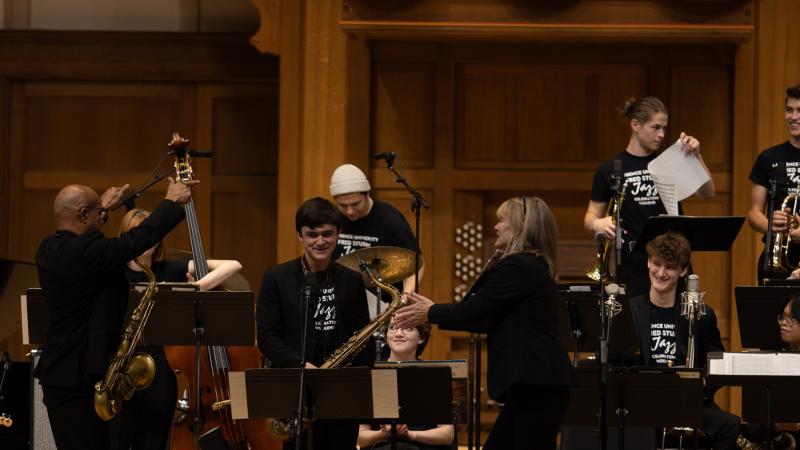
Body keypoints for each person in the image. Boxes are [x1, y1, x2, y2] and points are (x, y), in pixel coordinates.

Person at [394, 196, 573, 450]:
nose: (496, 227)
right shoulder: (530, 264)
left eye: (501, 220)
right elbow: (483, 319)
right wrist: (431, 312)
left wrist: (431, 312)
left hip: (537, 385)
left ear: (520, 227)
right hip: (536, 386)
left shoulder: (519, 266)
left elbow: (475, 309)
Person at [34, 178, 193, 450]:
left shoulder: (48, 249)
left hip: (60, 374)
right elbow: (137, 240)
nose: (102, 219)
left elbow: (85, 234)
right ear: (84, 215)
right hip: (80, 380)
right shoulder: (88, 254)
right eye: (97, 214)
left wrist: (102, 207)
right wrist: (171, 201)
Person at [109, 208, 242, 450]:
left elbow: (233, 265)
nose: (145, 241)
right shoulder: (113, 273)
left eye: (150, 233)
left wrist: (196, 288)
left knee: (154, 443)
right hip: (120, 369)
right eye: (136, 233)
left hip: (161, 372)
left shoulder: (169, 269)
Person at [256, 197, 372, 450]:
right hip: (294, 388)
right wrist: (302, 366)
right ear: (300, 235)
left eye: (327, 234)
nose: (320, 241)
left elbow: (362, 335)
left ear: (339, 233)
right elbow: (267, 337)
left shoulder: (352, 280)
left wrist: (354, 378)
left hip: (340, 388)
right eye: (312, 234)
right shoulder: (276, 278)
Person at [583, 96, 715, 298]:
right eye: (655, 127)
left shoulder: (670, 160)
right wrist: (597, 224)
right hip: (634, 262)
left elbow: (707, 192)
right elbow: (590, 216)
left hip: (673, 257)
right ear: (635, 125)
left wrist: (697, 157)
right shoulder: (609, 168)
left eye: (664, 128)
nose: (661, 134)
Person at [626, 231, 740, 449]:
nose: (660, 273)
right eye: (656, 264)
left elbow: (718, 362)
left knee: (731, 426)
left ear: (683, 270)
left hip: (688, 403)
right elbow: (618, 360)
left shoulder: (702, 314)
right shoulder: (631, 311)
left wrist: (703, 381)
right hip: (644, 405)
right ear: (648, 262)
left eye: (669, 267)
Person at [329, 164, 423, 301]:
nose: (349, 211)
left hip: (383, 304)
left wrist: (405, 297)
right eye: (343, 205)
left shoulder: (390, 219)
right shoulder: (332, 218)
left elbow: (417, 264)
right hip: (342, 300)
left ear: (367, 194)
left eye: (355, 204)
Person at [357, 319, 454, 450]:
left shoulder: (436, 376)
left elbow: (447, 435)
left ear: (421, 337)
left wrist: (411, 435)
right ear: (386, 335)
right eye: (392, 327)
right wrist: (383, 434)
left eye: (407, 328)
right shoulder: (369, 375)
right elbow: (361, 438)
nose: (398, 333)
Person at [748, 83, 800, 283]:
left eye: (799, 111)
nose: (793, 117)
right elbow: (754, 213)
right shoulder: (768, 157)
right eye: (789, 110)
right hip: (775, 260)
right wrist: (772, 225)